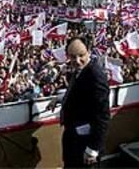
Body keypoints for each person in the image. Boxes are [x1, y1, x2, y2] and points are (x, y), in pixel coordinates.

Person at [47, 38, 110, 168]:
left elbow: (103, 117)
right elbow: (78, 94)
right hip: (73, 139)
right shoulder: (79, 70)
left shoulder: (96, 76)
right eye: (73, 56)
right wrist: (59, 99)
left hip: (85, 143)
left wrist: (93, 149)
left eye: (81, 55)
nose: (77, 60)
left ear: (89, 52)